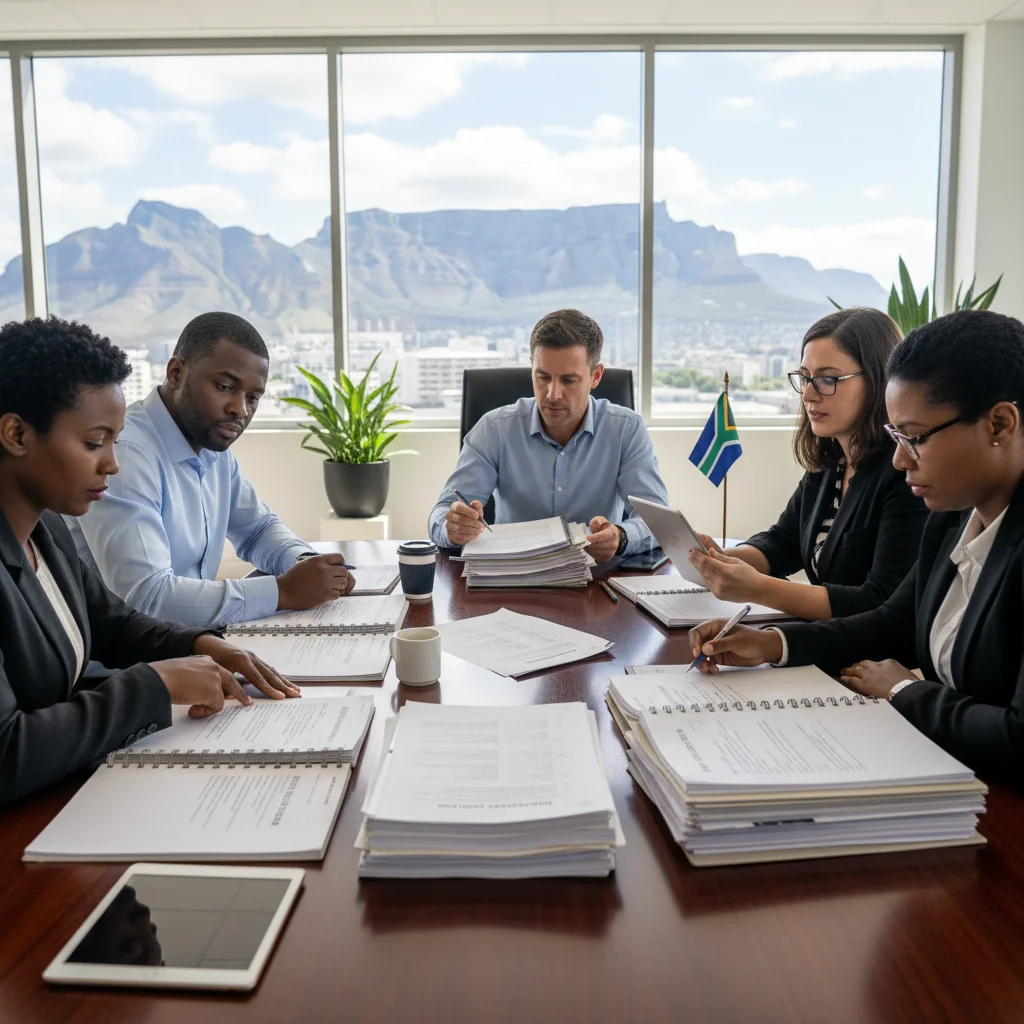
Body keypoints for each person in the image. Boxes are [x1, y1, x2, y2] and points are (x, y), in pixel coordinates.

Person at [687, 309, 1024, 784]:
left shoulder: (936, 500)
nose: (902, 458)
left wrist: (905, 689)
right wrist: (770, 644)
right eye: (896, 437)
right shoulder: (954, 517)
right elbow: (894, 622)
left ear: (999, 425)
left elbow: (1017, 737)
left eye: (915, 438)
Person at [0, 317, 299, 805]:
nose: (113, 463)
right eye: (95, 443)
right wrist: (154, 685)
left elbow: (112, 624)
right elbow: (6, 752)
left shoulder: (44, 529)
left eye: (115, 442)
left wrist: (200, 643)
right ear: (16, 433)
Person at [74, 312, 353, 630]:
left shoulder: (211, 446)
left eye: (253, 397)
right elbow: (147, 597)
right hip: (123, 669)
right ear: (176, 372)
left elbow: (258, 529)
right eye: (224, 387)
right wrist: (283, 592)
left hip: (187, 647)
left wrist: (305, 564)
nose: (240, 409)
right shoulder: (126, 453)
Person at [689, 308, 927, 620]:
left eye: (827, 379)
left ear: (878, 379)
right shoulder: (831, 461)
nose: (809, 395)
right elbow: (782, 543)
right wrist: (720, 560)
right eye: (804, 378)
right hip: (825, 646)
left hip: (867, 660)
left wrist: (758, 588)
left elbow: (880, 601)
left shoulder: (905, 473)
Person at [427, 309, 670, 561]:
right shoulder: (494, 429)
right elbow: (441, 513)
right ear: (532, 366)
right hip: (512, 578)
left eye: (569, 380)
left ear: (595, 376)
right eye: (542, 377)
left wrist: (621, 537)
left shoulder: (626, 430)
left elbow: (658, 522)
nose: (553, 394)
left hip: (597, 582)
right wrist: (452, 527)